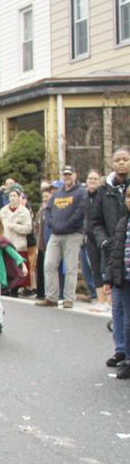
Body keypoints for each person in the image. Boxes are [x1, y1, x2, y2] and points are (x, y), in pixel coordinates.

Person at [92, 147, 130, 368]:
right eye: (118, 160)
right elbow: (95, 221)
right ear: (112, 163)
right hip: (113, 252)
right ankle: (120, 349)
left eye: (126, 159)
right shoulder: (105, 190)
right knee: (117, 306)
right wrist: (104, 242)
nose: (122, 163)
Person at [38, 166, 86, 308]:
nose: (67, 177)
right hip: (56, 234)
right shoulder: (57, 194)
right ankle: (51, 297)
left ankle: (68, 298)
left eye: (69, 174)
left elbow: (80, 212)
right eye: (64, 175)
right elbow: (48, 211)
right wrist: (53, 225)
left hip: (73, 234)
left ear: (75, 175)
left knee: (70, 268)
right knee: (49, 264)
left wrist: (66, 225)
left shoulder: (81, 193)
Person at [100, 188, 130, 379]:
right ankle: (124, 353)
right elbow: (116, 252)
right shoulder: (123, 222)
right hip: (123, 278)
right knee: (120, 315)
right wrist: (109, 277)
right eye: (128, 197)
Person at [0, 183, 32, 296]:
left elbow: (28, 228)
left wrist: (16, 227)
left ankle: (16, 289)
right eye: (10, 196)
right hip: (6, 243)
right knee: (7, 267)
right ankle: (5, 287)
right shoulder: (3, 211)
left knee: (18, 268)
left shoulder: (24, 211)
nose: (12, 198)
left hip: (18, 243)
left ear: (19, 197)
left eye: (15, 196)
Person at [80, 169, 104, 304]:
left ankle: (108, 300)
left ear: (99, 181)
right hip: (89, 237)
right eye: (90, 178)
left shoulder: (103, 196)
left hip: (102, 236)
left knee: (104, 269)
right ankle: (100, 301)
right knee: (94, 268)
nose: (92, 181)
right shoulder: (85, 197)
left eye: (95, 178)